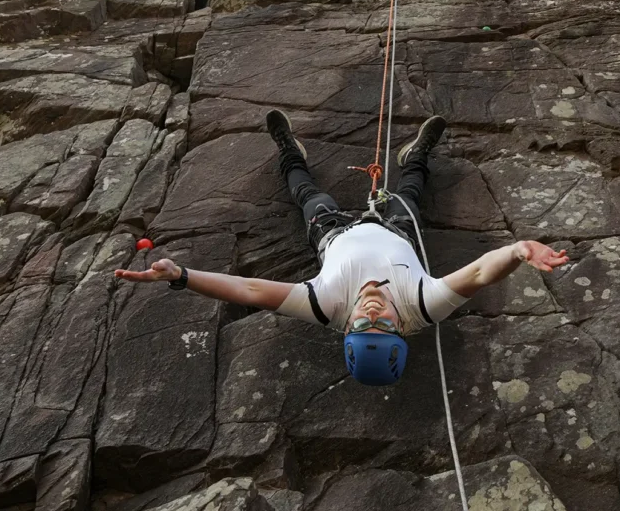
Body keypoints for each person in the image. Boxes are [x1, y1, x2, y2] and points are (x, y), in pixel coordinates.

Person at [115, 111, 568, 386]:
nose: (372, 312)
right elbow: (478, 274)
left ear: (347, 326)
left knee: (308, 194)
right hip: (396, 231)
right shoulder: (422, 306)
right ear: (399, 329)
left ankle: (289, 150)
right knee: (410, 193)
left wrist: (182, 278)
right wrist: (518, 251)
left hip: (331, 234)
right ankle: (417, 156)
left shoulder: (325, 305)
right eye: (382, 325)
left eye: (362, 323)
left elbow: (250, 291)